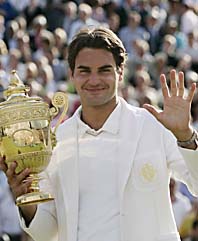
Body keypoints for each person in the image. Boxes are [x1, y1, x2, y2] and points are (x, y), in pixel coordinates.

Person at [0, 26, 198, 241]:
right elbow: (46, 233)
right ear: (72, 75)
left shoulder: (155, 126)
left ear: (120, 72)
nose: (94, 80)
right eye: (84, 70)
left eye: (104, 70)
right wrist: (24, 196)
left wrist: (185, 136)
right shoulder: (54, 141)